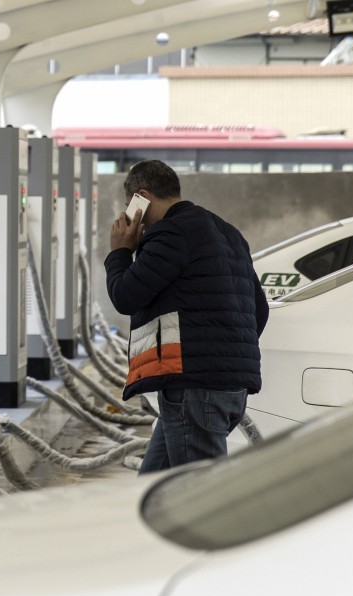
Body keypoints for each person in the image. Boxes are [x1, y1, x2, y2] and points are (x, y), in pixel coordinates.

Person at [104, 160, 269, 473]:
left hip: (195, 388)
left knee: (198, 494)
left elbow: (125, 296)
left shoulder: (171, 233)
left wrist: (120, 252)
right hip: (230, 386)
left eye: (130, 206)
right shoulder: (227, 232)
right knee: (155, 485)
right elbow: (258, 311)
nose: (128, 215)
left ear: (142, 196)